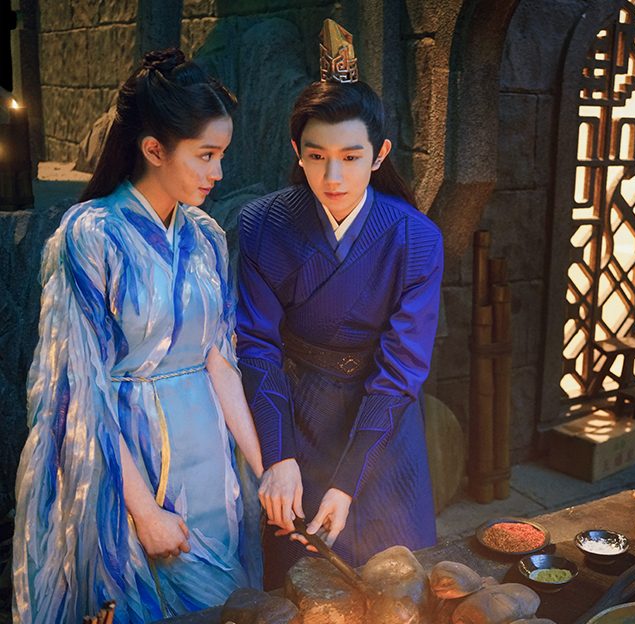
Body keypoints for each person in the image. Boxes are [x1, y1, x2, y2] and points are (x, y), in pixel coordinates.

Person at [13, 49, 264, 624]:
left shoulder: (206, 235)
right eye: (206, 155)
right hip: (130, 466)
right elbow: (80, 387)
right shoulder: (91, 235)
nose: (218, 173)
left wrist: (262, 465)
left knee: (230, 605)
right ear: (154, 149)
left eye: (221, 156)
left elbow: (220, 363)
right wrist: (145, 512)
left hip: (212, 464)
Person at [236, 20, 442, 589]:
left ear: (379, 154)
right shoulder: (261, 225)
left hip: (383, 421)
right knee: (300, 584)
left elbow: (402, 368)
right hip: (294, 410)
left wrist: (348, 480)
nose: (333, 176)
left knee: (398, 581)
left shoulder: (417, 239)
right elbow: (256, 345)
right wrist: (277, 455)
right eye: (317, 155)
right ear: (296, 153)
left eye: (351, 157)